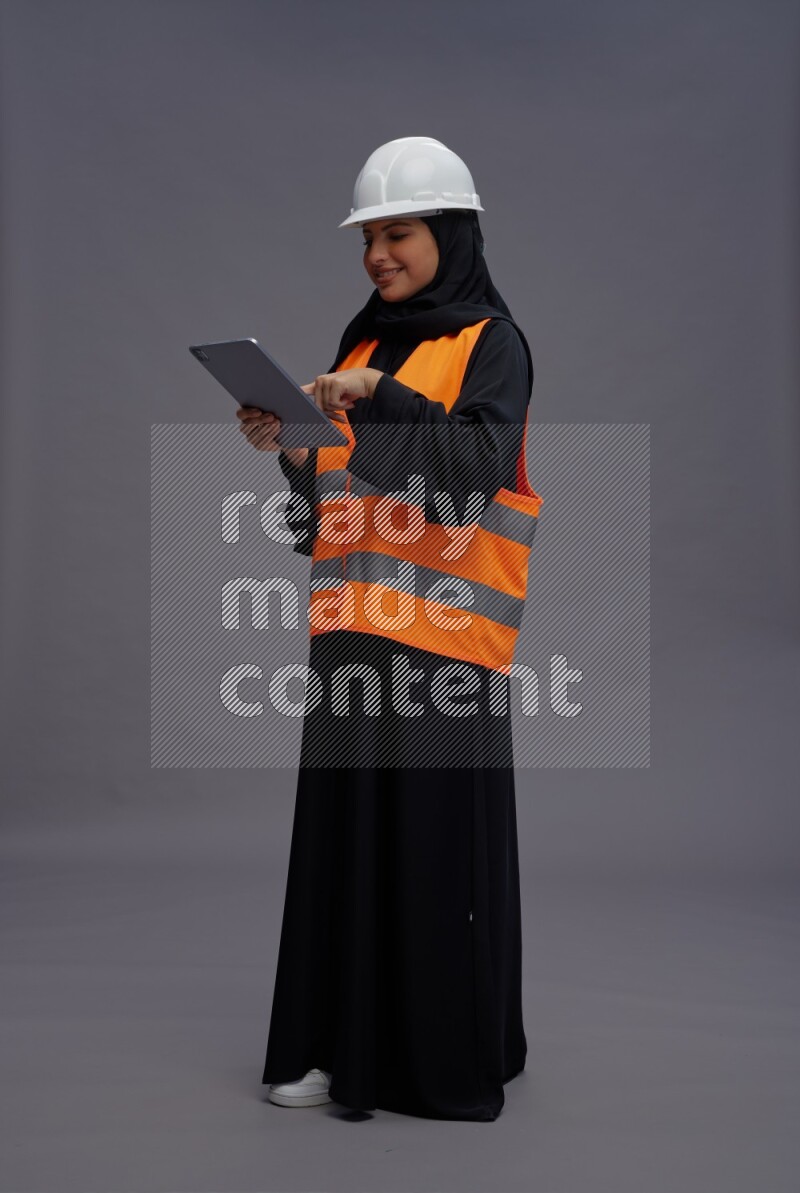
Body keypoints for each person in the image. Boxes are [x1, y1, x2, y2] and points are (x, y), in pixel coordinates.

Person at [238, 137, 543, 1121]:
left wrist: (381, 398)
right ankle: (334, 1046)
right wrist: (289, 442)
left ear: (448, 235)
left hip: (443, 650)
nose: (378, 254)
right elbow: (346, 485)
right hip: (350, 639)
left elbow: (468, 476)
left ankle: (432, 1063)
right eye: (368, 238)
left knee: (425, 855)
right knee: (343, 849)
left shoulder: (490, 342)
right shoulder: (358, 342)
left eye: (397, 233)